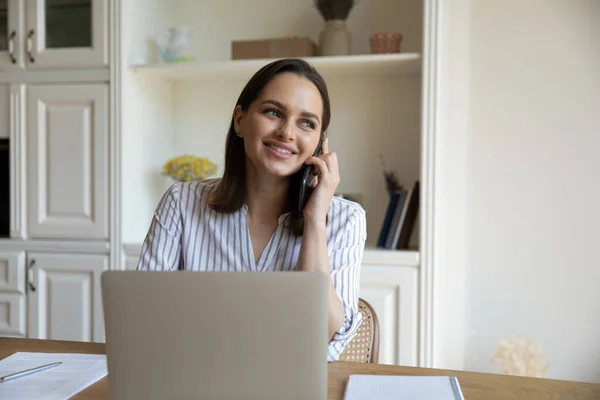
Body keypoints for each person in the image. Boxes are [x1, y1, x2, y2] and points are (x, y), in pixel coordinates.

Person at [137, 58, 367, 361]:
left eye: (306, 123)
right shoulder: (181, 203)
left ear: (319, 144)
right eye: (273, 112)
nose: (287, 132)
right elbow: (141, 320)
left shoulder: (345, 219)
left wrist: (314, 220)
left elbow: (321, 335)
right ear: (240, 120)